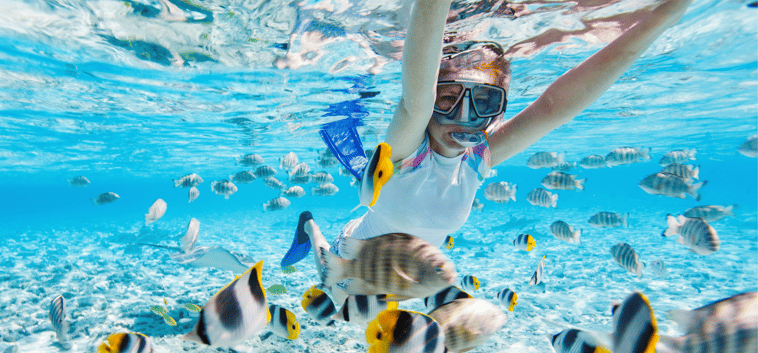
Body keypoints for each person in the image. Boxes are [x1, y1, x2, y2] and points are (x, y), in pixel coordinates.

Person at [282, 0, 693, 303]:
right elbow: (415, 101)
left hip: (405, 288)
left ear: (499, 109)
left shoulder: (477, 160)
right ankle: (309, 227)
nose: (464, 117)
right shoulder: (409, 152)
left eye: (484, 102)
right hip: (347, 266)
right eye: (447, 98)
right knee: (323, 277)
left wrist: (662, 17)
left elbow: (552, 108)